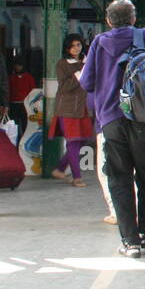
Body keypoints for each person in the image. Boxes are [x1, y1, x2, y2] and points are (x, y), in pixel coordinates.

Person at [77, 0, 145, 258]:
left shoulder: (99, 43)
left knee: (119, 177)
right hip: (144, 118)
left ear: (108, 21)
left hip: (111, 118)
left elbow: (87, 82)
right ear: (133, 19)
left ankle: (130, 242)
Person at [49, 34, 92, 187]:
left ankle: (60, 169)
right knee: (73, 142)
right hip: (68, 108)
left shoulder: (88, 61)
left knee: (83, 140)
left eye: (79, 45)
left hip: (85, 107)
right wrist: (80, 75)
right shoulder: (62, 64)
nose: (76, 48)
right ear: (67, 48)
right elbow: (64, 86)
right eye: (73, 45)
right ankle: (77, 177)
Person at [8, 59, 36, 145]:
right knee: (14, 125)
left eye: (19, 65)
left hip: (25, 105)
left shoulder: (29, 77)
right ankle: (16, 142)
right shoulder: (11, 78)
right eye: (16, 65)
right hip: (13, 104)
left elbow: (32, 91)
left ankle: (24, 143)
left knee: (25, 125)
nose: (18, 67)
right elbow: (9, 90)